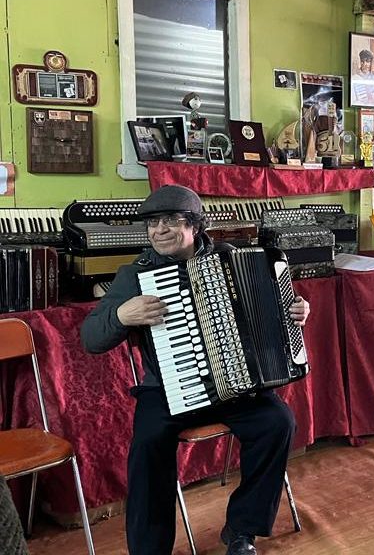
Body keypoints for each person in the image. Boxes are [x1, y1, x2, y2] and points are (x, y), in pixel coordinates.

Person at [81, 185, 310, 555]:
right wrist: (122, 315)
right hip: (168, 390)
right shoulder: (134, 276)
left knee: (278, 422)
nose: (160, 230)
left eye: (171, 220)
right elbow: (90, 338)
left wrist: (297, 311)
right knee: (148, 444)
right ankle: (149, 549)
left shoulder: (231, 257)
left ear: (195, 225)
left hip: (235, 384)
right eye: (153, 223)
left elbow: (277, 308)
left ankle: (241, 530)